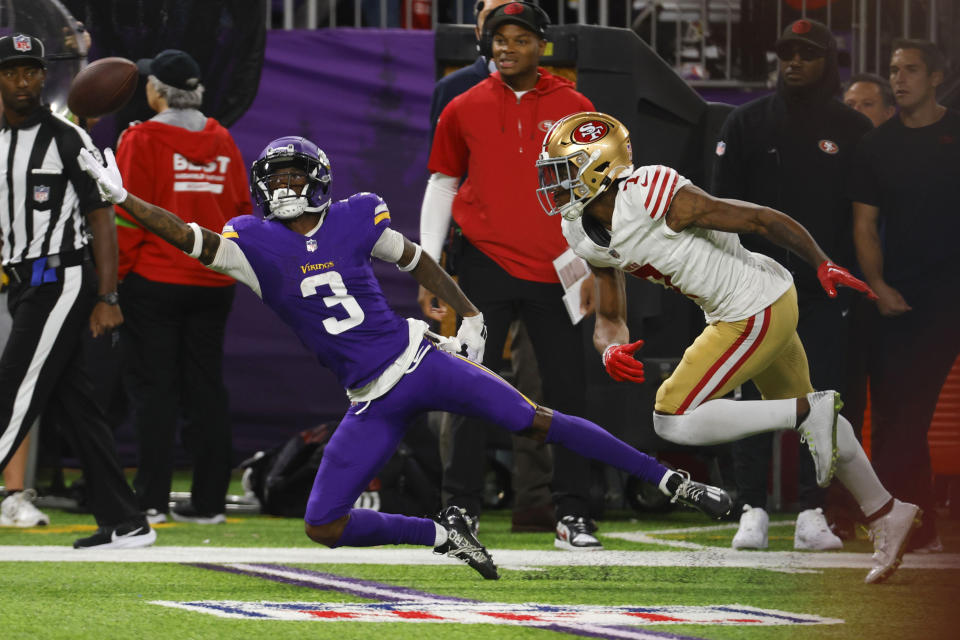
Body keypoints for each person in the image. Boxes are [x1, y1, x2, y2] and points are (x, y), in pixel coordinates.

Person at [78, 134, 732, 579]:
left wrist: (471, 313)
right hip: (369, 399)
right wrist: (123, 200)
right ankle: (442, 534)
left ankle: (669, 478)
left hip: (422, 361)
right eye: (273, 177)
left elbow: (416, 258)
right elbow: (186, 238)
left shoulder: (356, 217)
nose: (281, 186)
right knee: (322, 526)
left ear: (319, 181)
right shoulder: (251, 244)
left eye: (292, 176)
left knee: (535, 418)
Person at [536, 110, 921, 584]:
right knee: (817, 418)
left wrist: (821, 261)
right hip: (754, 305)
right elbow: (610, 316)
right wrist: (609, 348)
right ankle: (886, 511)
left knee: (671, 417)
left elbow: (757, 219)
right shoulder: (580, 230)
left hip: (752, 309)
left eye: (563, 170)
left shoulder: (655, 193)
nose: (554, 183)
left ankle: (806, 413)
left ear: (600, 168)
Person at [421, 1, 602, 549]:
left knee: (568, 390)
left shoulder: (576, 107)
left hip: (559, 268)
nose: (506, 47)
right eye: (499, 39)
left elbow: (596, 195)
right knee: (470, 389)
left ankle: (573, 515)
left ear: (541, 46)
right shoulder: (462, 103)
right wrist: (430, 268)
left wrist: (592, 262)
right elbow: (443, 184)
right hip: (482, 265)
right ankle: (459, 512)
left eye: (520, 39)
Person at [711, 19, 872, 552]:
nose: (794, 62)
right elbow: (719, 210)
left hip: (822, 292)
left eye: (807, 53)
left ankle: (812, 510)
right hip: (752, 287)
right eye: (786, 53)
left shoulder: (851, 129)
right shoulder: (746, 122)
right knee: (750, 396)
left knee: (819, 397)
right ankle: (752, 508)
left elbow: (861, 218)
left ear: (829, 60)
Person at [0, 33, 154, 548]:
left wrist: (108, 297)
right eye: (12, 71)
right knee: (76, 406)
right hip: (21, 282)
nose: (23, 80)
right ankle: (125, 519)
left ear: (45, 76)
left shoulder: (68, 138)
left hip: (61, 278)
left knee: (11, 391)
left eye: (32, 70)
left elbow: (102, 216)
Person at [112, 49, 249, 525]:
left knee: (156, 391)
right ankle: (209, 502)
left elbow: (127, 216)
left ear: (156, 93)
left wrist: (115, 281)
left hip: (153, 281)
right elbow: (239, 210)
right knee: (206, 389)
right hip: (213, 280)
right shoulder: (223, 139)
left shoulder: (141, 138)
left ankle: (151, 500)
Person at [849, 39, 960, 554]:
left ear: (937, 77)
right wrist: (879, 286)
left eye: (911, 70)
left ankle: (884, 514)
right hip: (895, 292)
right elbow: (864, 224)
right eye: (894, 70)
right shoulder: (878, 145)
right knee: (894, 410)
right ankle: (921, 529)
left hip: (949, 295)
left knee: (912, 408)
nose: (900, 79)